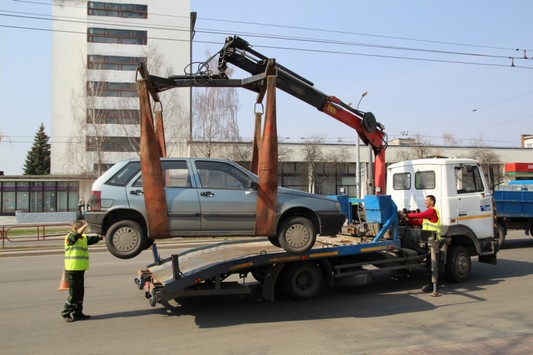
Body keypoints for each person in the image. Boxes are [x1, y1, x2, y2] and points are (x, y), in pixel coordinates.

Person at [61, 220, 103, 322]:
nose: (84, 231)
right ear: (75, 229)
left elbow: (92, 239)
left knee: (80, 293)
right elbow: (73, 238)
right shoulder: (69, 237)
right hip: (72, 269)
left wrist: (100, 237)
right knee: (74, 293)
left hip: (80, 269)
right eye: (82, 229)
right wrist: (85, 225)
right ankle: (66, 312)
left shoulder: (82, 238)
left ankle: (78, 313)